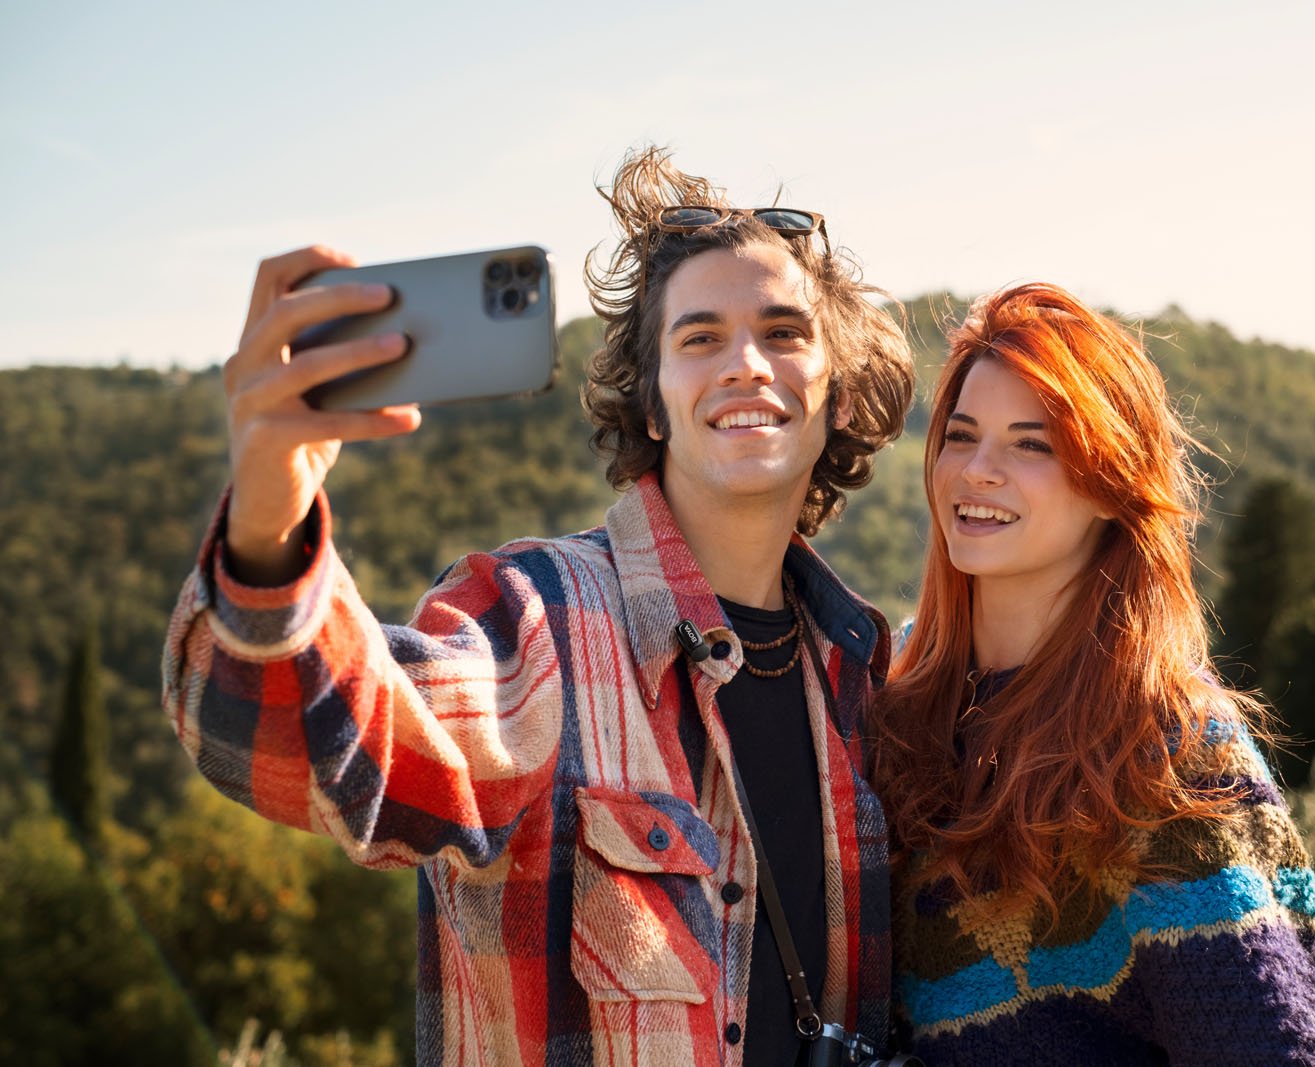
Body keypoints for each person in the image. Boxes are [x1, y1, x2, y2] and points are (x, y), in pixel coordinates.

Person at [161, 147, 916, 1066]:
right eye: (699, 337)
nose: (747, 364)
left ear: (835, 395)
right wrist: (269, 519)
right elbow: (315, 740)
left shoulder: (863, 681)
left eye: (785, 332)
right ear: (650, 405)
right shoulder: (541, 627)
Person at [871, 283, 1315, 1065]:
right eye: (961, 436)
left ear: (1109, 482)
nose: (977, 471)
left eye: (1032, 444)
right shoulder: (886, 696)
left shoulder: (1165, 745)